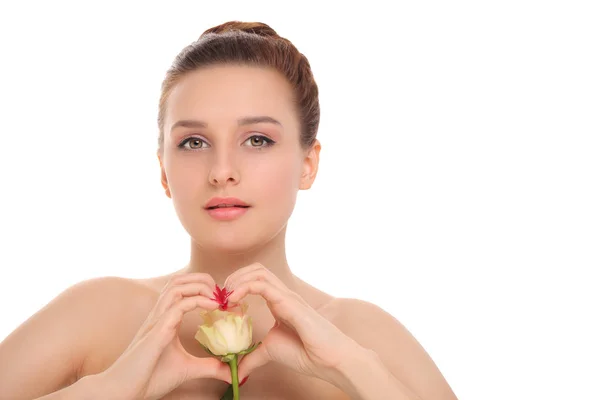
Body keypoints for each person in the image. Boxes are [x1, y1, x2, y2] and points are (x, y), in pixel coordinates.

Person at [0, 21, 457, 400]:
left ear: (308, 163)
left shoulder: (361, 334)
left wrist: (352, 367)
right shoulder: (98, 314)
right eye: (193, 142)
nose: (221, 171)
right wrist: (110, 389)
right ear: (164, 171)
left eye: (257, 139)